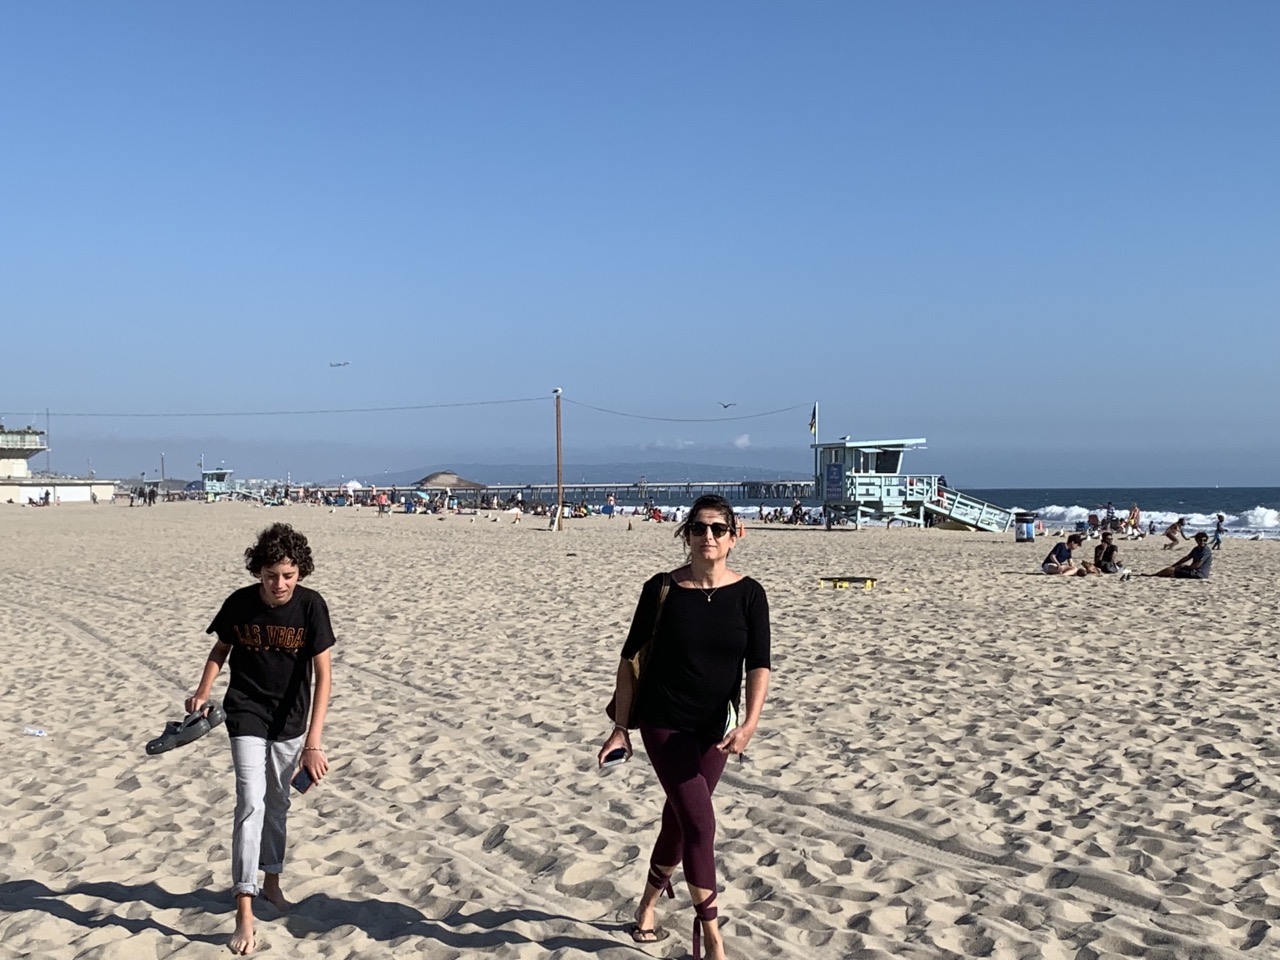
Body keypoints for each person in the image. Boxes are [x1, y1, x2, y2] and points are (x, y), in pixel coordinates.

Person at [598, 495, 770, 960]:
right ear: (686, 534)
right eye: (698, 528)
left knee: (678, 820)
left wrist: (750, 724)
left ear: (737, 535)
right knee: (700, 822)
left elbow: (759, 666)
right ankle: (712, 937)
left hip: (717, 728)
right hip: (664, 722)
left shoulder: (750, 594)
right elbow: (629, 660)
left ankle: (647, 905)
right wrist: (621, 728)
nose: (708, 537)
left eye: (718, 528)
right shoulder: (661, 589)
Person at [185, 523, 335, 956]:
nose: (280, 584)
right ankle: (244, 909)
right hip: (245, 713)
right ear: (259, 572)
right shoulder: (239, 603)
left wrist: (313, 742)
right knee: (250, 802)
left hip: (290, 722)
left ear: (300, 572)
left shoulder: (311, 607)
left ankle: (272, 881)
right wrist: (203, 690)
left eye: (288, 575)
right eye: (272, 575)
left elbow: (324, 676)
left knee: (278, 804)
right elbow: (220, 650)